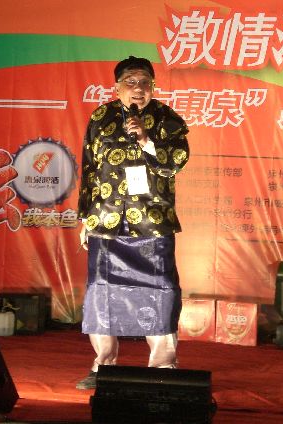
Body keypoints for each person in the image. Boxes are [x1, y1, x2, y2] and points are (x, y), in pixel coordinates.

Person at [75, 55, 190, 390]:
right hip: (106, 221)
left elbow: (175, 162)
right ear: (117, 87)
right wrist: (86, 218)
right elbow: (89, 168)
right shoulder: (101, 117)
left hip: (152, 222)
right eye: (131, 81)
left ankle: (162, 367)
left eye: (144, 82)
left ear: (153, 87)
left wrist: (146, 140)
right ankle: (104, 366)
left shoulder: (167, 118)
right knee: (102, 294)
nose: (138, 88)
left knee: (161, 292)